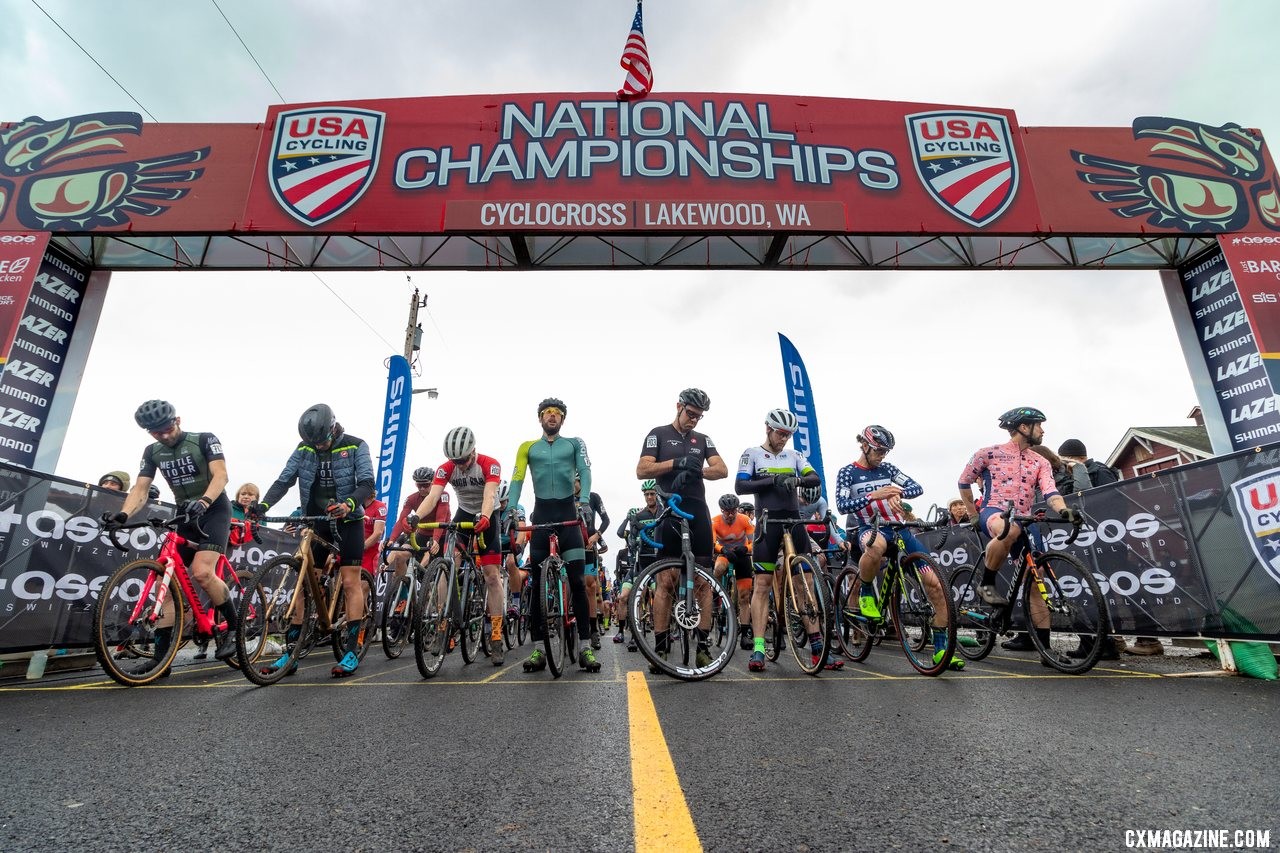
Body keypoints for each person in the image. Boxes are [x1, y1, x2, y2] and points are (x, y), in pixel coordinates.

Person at [101, 400, 237, 673]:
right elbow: (140, 489)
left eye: (166, 429)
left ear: (178, 420)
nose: (163, 435)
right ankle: (161, 659)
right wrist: (124, 514)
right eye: (155, 432)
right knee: (167, 583)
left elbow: (220, 476)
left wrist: (206, 501)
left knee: (201, 572)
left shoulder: (203, 439)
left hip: (214, 509)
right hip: (185, 512)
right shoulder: (153, 451)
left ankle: (235, 627)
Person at [957, 407, 1083, 667]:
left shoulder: (1041, 461)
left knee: (1037, 581)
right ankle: (987, 584)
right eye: (1039, 425)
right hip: (994, 511)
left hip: (1024, 517)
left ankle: (1046, 650)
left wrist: (1064, 510)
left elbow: (1050, 492)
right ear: (1024, 427)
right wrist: (971, 512)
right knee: (1009, 527)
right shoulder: (987, 453)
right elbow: (963, 481)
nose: (1043, 430)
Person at [258, 403, 376, 678]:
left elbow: (367, 483)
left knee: (349, 581)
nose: (319, 446)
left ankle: (350, 649)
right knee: (303, 582)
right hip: (316, 521)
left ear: (333, 428)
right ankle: (292, 651)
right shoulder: (304, 448)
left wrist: (349, 504)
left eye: (322, 441)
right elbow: (284, 480)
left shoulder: (356, 445)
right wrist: (263, 505)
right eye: (314, 442)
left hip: (348, 520)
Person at [835, 425, 960, 671]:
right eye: (879, 450)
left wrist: (896, 491)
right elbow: (842, 505)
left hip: (898, 528)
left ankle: (941, 649)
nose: (883, 455)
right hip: (870, 527)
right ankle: (867, 592)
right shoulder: (848, 472)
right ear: (865, 445)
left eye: (886, 451)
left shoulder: (888, 469)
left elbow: (916, 488)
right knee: (877, 545)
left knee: (935, 584)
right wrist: (875, 496)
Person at [735, 407, 839, 672]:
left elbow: (813, 477)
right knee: (762, 585)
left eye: (788, 434)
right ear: (768, 429)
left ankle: (817, 649)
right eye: (781, 433)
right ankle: (759, 648)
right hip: (767, 524)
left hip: (794, 522)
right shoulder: (752, 454)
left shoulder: (794, 455)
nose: (784, 439)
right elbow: (741, 486)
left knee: (804, 583)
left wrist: (796, 479)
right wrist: (773, 480)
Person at [637, 388, 728, 672]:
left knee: (703, 581)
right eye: (690, 414)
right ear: (678, 406)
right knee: (666, 582)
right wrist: (676, 464)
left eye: (699, 417)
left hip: (697, 508)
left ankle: (702, 648)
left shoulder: (702, 440)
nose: (694, 421)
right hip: (670, 508)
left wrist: (697, 470)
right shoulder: (658, 434)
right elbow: (642, 469)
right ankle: (661, 646)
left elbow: (722, 469)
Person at [507, 397, 599, 673]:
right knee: (536, 583)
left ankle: (585, 648)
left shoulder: (573, 443)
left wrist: (583, 501)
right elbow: (517, 477)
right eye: (547, 413)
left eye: (557, 413)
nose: (552, 416)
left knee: (578, 582)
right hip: (542, 516)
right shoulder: (527, 447)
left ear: (562, 420)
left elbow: (585, 469)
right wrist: (511, 507)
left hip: (569, 516)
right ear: (540, 418)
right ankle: (538, 650)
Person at [408, 426, 505, 665]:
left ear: (473, 451)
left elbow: (490, 496)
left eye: (463, 460)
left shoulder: (489, 464)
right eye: (455, 460)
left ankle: (495, 635)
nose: (460, 465)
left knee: (491, 576)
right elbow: (432, 497)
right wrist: (417, 517)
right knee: (447, 564)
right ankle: (444, 623)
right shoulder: (446, 468)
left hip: (486, 515)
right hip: (463, 514)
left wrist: (484, 517)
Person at [383, 467, 449, 631]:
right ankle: (403, 595)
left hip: (440, 534)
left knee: (441, 575)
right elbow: (401, 520)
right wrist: (391, 540)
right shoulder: (412, 498)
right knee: (399, 555)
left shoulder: (442, 495)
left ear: (432, 483)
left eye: (425, 485)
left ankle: (441, 614)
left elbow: (441, 517)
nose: (422, 489)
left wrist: (435, 540)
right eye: (418, 485)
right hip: (421, 534)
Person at [613, 480, 662, 650]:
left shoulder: (663, 513)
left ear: (657, 494)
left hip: (658, 564)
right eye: (647, 494)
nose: (649, 497)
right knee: (624, 597)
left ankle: (663, 631)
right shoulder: (640, 515)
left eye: (652, 494)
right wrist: (630, 520)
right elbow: (626, 537)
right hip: (639, 564)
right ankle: (625, 632)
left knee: (659, 594)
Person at [712, 493, 754, 650]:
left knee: (744, 596)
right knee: (719, 568)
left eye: (733, 511)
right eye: (726, 511)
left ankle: (744, 635)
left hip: (742, 555)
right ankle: (715, 590)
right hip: (725, 554)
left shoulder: (744, 520)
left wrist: (746, 548)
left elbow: (753, 541)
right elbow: (712, 542)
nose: (730, 514)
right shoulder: (715, 521)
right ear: (722, 510)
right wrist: (722, 549)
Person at [574, 474, 611, 648]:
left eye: (574, 482)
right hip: (570, 544)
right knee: (571, 585)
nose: (572, 485)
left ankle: (594, 630)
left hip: (588, 543)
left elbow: (606, 520)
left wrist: (596, 536)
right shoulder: (564, 497)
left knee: (590, 587)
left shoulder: (593, 497)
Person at [361, 492, 387, 574]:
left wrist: (361, 548)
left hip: (369, 549)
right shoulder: (355, 505)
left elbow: (378, 533)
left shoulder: (380, 506)